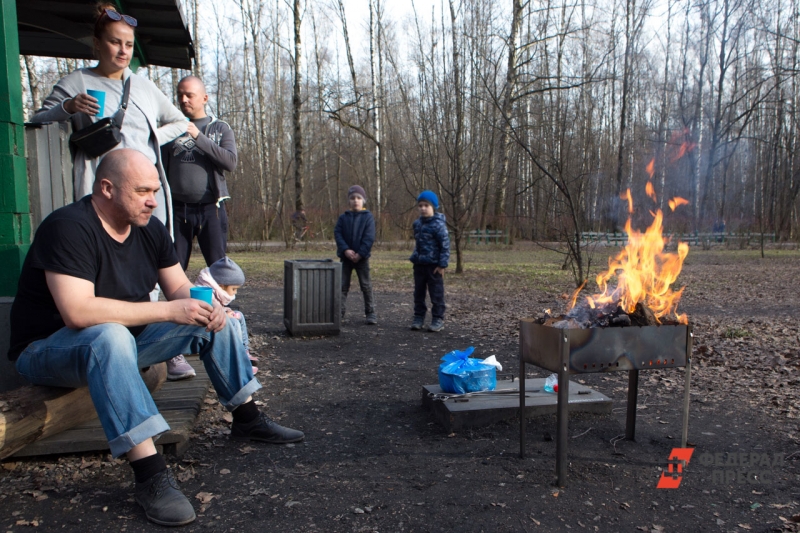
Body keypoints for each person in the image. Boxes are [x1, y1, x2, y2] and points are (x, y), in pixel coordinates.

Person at [7, 150, 304, 527]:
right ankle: (150, 475)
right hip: (48, 350)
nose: (152, 200)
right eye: (142, 191)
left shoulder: (149, 227)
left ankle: (247, 417)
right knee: (109, 336)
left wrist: (207, 307)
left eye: (154, 190)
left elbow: (179, 285)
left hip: (125, 343)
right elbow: (78, 312)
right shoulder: (68, 227)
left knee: (220, 317)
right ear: (107, 189)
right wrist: (167, 310)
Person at [29, 3, 186, 231]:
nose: (123, 51)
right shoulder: (77, 82)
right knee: (103, 250)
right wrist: (69, 106)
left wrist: (151, 140)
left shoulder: (143, 87)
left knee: (147, 255)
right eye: (115, 42)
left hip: (143, 190)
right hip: (103, 189)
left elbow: (180, 121)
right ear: (97, 44)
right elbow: (38, 121)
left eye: (129, 45)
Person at [162, 76, 237, 271]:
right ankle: (180, 303)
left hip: (210, 209)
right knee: (174, 268)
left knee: (219, 268)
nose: (184, 99)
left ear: (204, 98)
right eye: (180, 95)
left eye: (189, 95)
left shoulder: (220, 128)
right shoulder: (171, 129)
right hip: (177, 210)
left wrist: (198, 136)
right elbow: (158, 166)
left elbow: (229, 162)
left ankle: (220, 302)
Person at [194, 257, 259, 375]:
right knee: (233, 322)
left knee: (239, 315)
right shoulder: (206, 292)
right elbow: (208, 312)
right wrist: (225, 315)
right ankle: (237, 359)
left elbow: (218, 307)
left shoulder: (217, 290)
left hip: (216, 319)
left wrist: (226, 312)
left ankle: (244, 351)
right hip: (205, 326)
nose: (235, 292)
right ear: (222, 285)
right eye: (234, 289)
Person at [334, 185, 377, 325]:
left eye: (359, 198)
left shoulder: (368, 217)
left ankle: (370, 313)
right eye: (352, 198)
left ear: (363, 200)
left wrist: (360, 253)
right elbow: (338, 234)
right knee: (342, 286)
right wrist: (346, 250)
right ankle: (339, 313)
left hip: (362, 259)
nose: (355, 201)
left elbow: (369, 237)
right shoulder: (343, 218)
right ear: (349, 201)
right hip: (345, 259)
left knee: (366, 285)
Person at [409, 190, 450, 332]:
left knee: (436, 293)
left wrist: (442, 264)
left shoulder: (439, 225)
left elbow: (445, 246)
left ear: (433, 207)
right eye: (420, 205)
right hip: (419, 264)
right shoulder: (417, 224)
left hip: (434, 266)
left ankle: (438, 318)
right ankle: (418, 317)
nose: (423, 208)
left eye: (426, 205)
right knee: (418, 293)